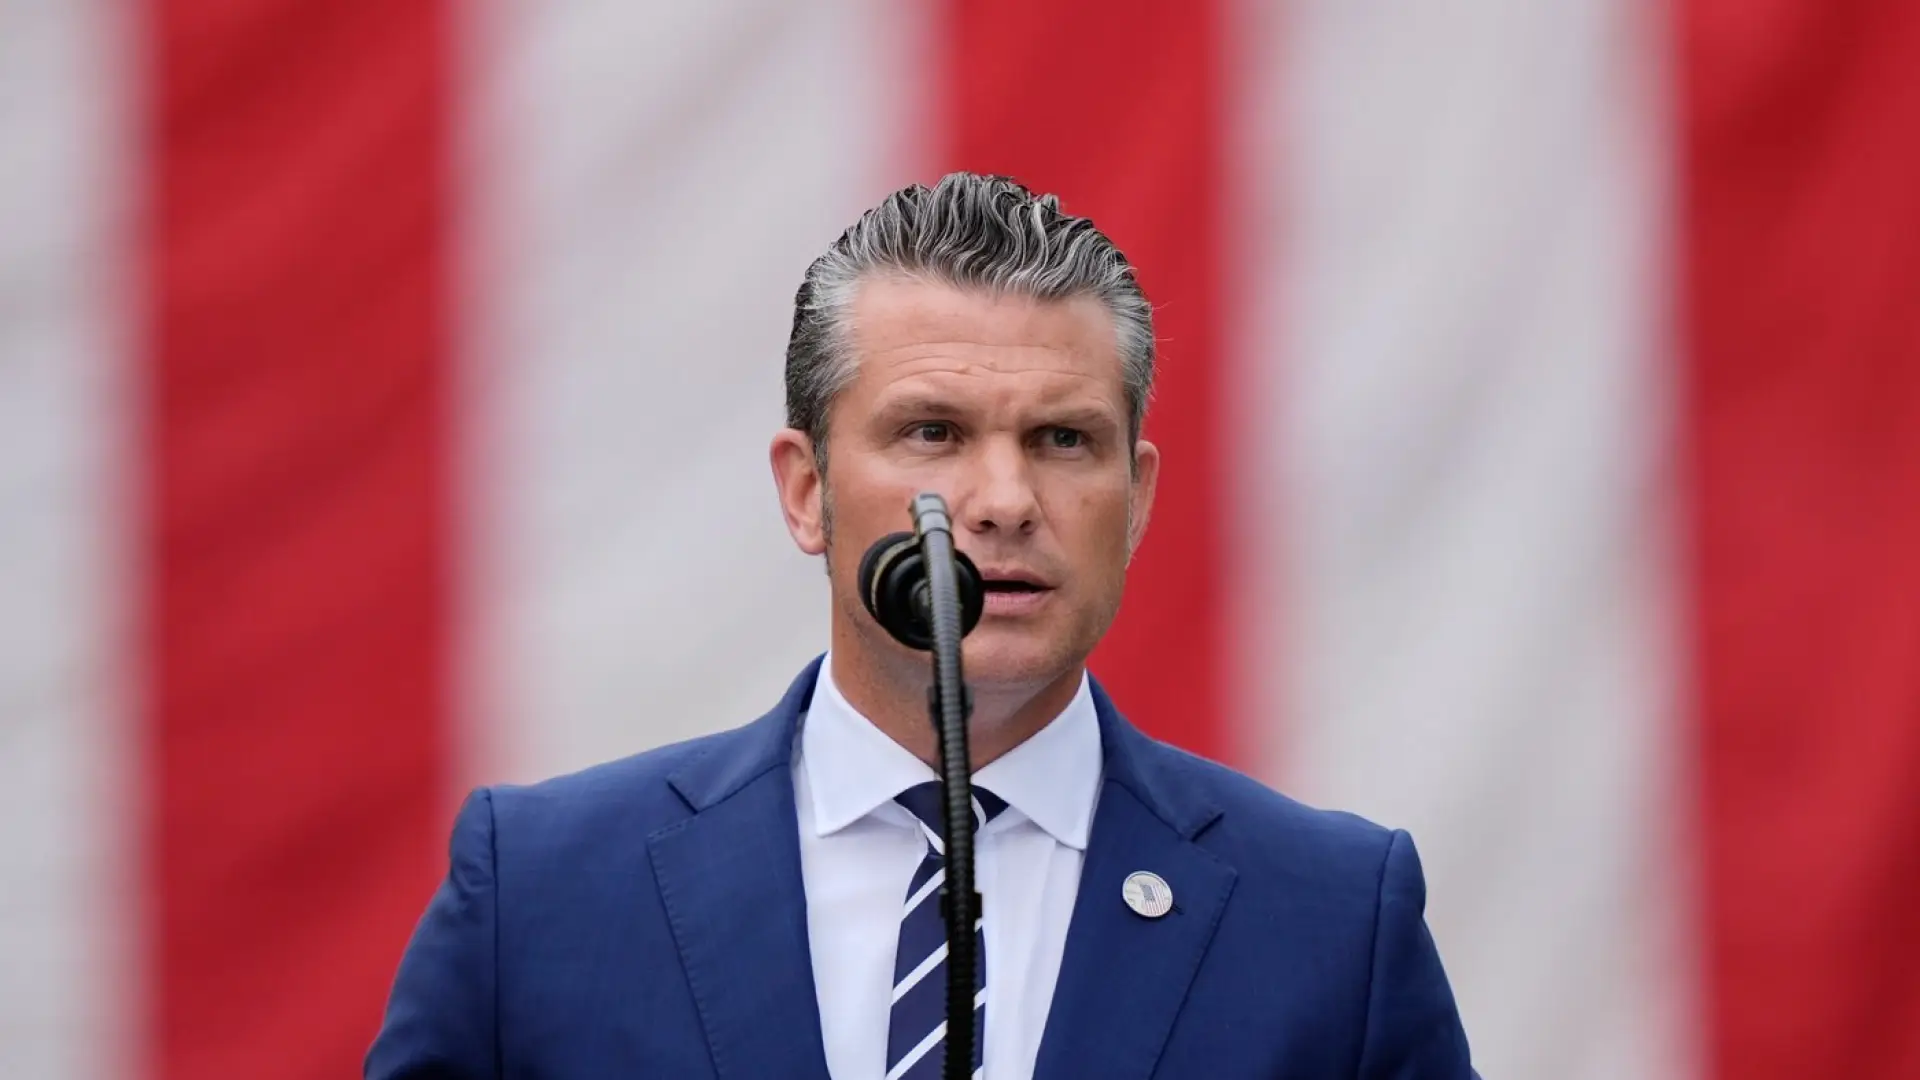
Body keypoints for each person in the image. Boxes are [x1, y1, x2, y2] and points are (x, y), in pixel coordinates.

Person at [365, 172, 1478, 1079]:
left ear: (1136, 500)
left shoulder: (1333, 919)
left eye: (1064, 440)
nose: (1005, 501)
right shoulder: (544, 892)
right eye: (933, 432)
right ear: (808, 491)